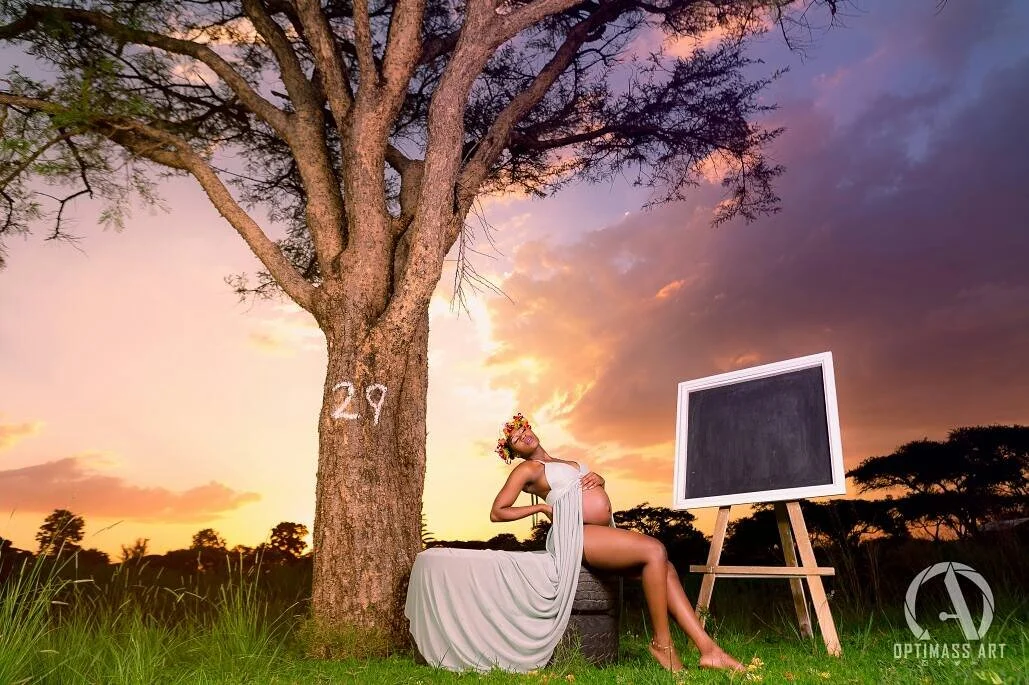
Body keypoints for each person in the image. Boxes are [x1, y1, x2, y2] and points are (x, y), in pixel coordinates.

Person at [490, 413, 743, 673]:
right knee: (654, 549)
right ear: (515, 453)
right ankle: (662, 644)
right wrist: (542, 508)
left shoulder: (564, 460)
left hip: (600, 531)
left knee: (665, 568)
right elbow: (498, 512)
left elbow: (584, 489)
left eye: (522, 431)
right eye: (516, 440)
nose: (523, 437)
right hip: (575, 533)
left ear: (530, 427)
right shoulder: (528, 469)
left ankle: (709, 650)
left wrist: (600, 480)